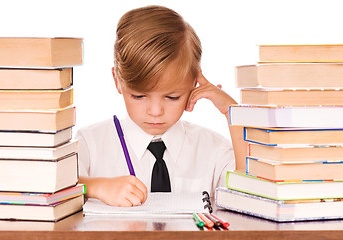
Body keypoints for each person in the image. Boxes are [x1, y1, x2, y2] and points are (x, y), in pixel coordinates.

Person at [76, 5, 247, 207]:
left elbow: (251, 195)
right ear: (118, 81)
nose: (155, 112)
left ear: (194, 84)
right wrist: (96, 187)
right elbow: (51, 191)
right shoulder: (89, 144)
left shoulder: (215, 150)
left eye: (172, 97)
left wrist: (233, 113)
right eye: (139, 96)